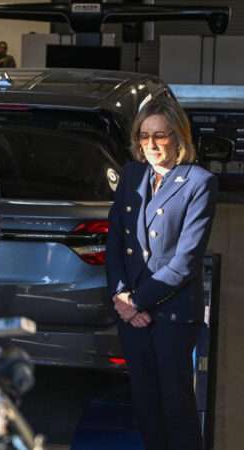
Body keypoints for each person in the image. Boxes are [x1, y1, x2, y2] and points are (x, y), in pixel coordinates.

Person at [106, 95, 217, 450]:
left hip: (171, 315)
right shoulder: (132, 174)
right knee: (146, 407)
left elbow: (184, 261)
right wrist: (121, 294)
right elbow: (115, 242)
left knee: (177, 408)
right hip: (132, 314)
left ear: (179, 137)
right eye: (144, 136)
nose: (151, 145)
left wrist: (137, 302)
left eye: (161, 136)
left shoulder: (198, 182)